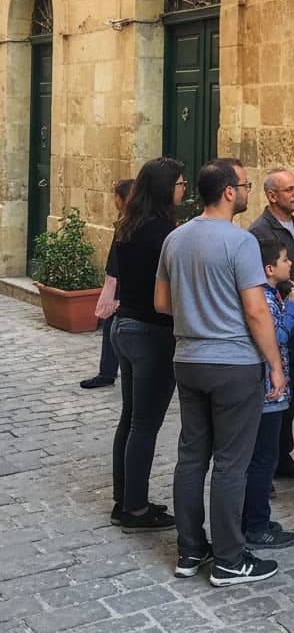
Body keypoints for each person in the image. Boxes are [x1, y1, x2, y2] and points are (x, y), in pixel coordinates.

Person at [155, 158, 285, 587]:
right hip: (232, 363)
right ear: (229, 191)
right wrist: (275, 364)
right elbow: (255, 311)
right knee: (231, 462)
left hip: (188, 359)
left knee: (191, 457)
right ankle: (230, 558)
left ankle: (190, 550)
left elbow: (161, 302)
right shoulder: (240, 242)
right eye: (246, 185)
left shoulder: (176, 238)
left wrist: (197, 314)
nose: (248, 192)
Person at [108, 160, 185, 530]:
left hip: (124, 327)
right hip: (151, 332)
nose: (184, 189)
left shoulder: (128, 226)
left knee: (130, 418)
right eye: (180, 184)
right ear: (164, 189)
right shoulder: (162, 234)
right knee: (144, 424)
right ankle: (136, 509)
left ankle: (123, 500)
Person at [249, 167, 294, 480]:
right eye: (289, 189)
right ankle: (263, 461)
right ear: (271, 196)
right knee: (270, 397)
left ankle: (281, 455)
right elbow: (256, 280)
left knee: (290, 393)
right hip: (276, 319)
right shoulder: (259, 232)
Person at [242, 237, 294, 550]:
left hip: (271, 391)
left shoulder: (268, 294)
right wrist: (293, 307)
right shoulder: (265, 300)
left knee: (263, 459)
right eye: (284, 259)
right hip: (268, 392)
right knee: (262, 461)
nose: (290, 263)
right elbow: (275, 335)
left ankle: (258, 518)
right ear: (270, 268)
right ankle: (254, 525)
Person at [80, 178, 133, 389]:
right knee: (112, 326)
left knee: (113, 326)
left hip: (121, 284)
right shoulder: (127, 219)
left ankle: (108, 372)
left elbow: (118, 258)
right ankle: (108, 371)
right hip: (120, 282)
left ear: (121, 198)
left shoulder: (129, 222)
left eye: (115, 196)